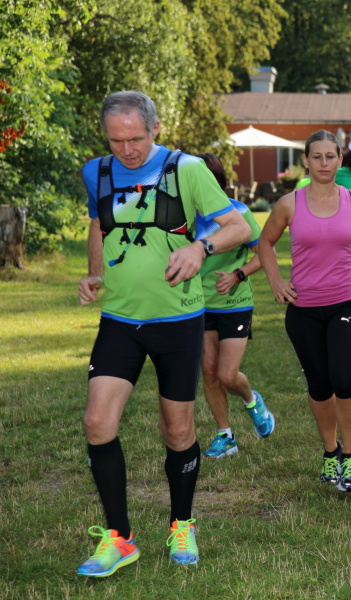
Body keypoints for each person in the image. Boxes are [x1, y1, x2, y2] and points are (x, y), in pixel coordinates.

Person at [76, 91, 251, 576]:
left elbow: (237, 226)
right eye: (116, 140)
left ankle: (182, 523)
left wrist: (200, 247)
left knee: (178, 430)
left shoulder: (187, 169)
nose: (127, 150)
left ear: (155, 128)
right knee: (96, 422)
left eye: (135, 138)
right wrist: (94, 273)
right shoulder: (96, 172)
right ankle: (119, 538)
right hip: (120, 320)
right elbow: (98, 224)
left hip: (177, 321)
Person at [258, 130, 351, 494]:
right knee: (319, 385)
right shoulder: (289, 204)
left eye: (330, 156)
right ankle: (331, 451)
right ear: (306, 161)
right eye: (317, 157)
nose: (324, 163)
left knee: (345, 380)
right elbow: (265, 242)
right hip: (304, 309)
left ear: (340, 160)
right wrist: (276, 282)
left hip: (346, 303)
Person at [196, 153, 275, 459]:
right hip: (198, 305)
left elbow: (263, 253)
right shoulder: (183, 216)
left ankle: (253, 401)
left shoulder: (238, 212)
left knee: (228, 376)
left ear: (216, 182)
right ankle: (225, 435)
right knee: (209, 373)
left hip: (234, 304)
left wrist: (237, 275)